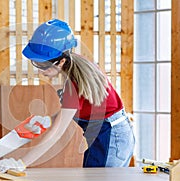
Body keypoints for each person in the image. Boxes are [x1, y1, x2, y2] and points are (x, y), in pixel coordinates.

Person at [22, 18, 135, 167]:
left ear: (61, 61)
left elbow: (57, 133)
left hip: (111, 138)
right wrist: (48, 120)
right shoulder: (78, 66)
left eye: (43, 64)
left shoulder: (74, 84)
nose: (40, 70)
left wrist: (22, 163)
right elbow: (71, 111)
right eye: (35, 63)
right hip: (111, 135)